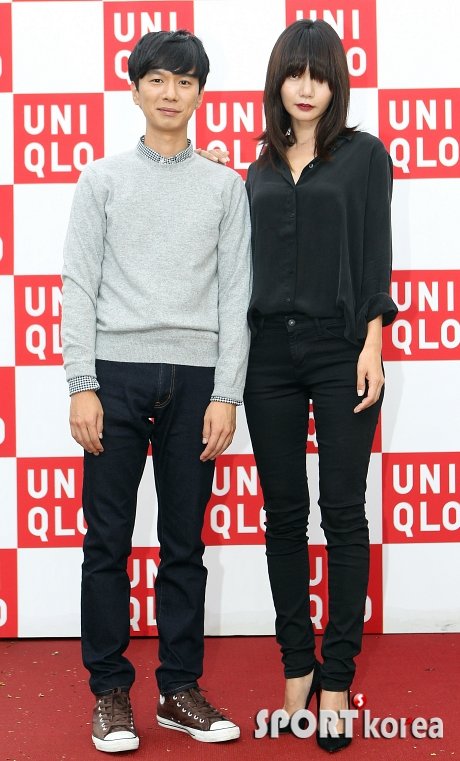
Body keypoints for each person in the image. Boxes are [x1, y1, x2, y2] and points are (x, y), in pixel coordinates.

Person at [200, 17, 397, 751]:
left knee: (342, 513)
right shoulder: (253, 170)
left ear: (336, 82)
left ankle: (336, 679)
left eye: (319, 74)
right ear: (277, 82)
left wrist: (373, 342)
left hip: (342, 349)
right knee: (283, 515)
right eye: (294, 73)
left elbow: (375, 254)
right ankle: (296, 668)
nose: (306, 87)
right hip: (267, 359)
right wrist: (211, 178)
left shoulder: (364, 156)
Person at [61, 29, 251, 753]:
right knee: (106, 541)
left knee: (183, 546)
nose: (172, 93)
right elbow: (79, 284)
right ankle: (110, 693)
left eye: (186, 81)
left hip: (197, 382)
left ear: (201, 92)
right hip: (113, 375)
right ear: (135, 88)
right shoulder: (101, 179)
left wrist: (226, 393)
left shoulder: (224, 186)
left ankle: (178, 690)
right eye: (159, 80)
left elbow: (235, 296)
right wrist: (82, 383)